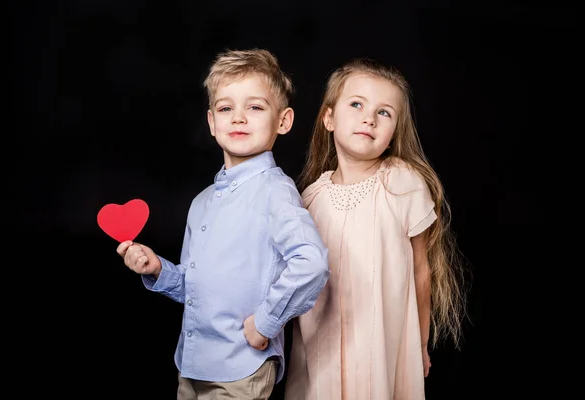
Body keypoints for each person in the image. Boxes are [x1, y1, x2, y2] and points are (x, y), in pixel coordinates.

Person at [116, 48, 330, 400]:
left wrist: (266, 322)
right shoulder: (201, 204)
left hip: (242, 366)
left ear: (284, 120)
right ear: (212, 122)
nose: (239, 118)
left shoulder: (275, 192)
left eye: (255, 107)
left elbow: (312, 263)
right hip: (192, 363)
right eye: (227, 108)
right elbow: (197, 288)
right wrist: (157, 269)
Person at [284, 58, 467, 400]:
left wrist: (420, 343)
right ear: (329, 118)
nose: (369, 117)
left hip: (380, 348)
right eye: (356, 104)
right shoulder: (309, 199)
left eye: (384, 112)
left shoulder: (402, 183)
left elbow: (420, 270)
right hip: (321, 349)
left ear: (395, 131)